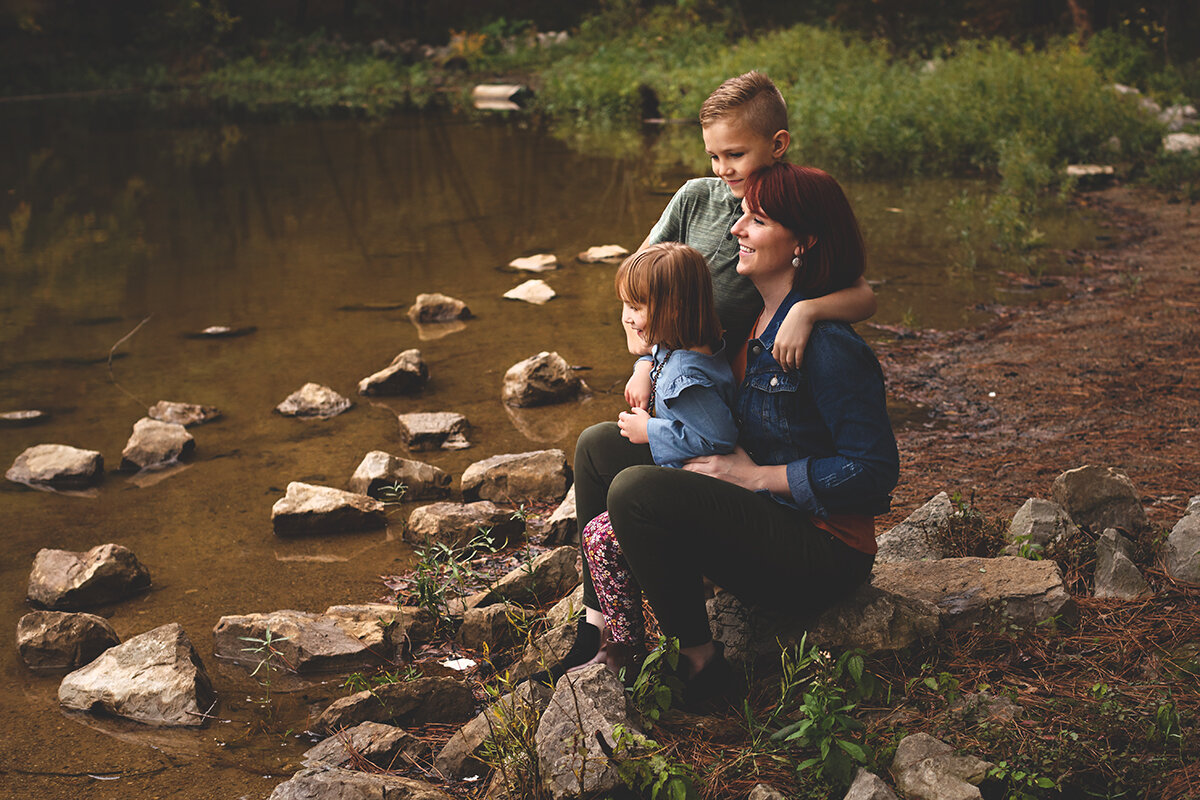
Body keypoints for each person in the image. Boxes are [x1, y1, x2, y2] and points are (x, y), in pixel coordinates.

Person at [552, 162, 899, 700]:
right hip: (757, 521)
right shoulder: (751, 326)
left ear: (803, 241)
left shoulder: (828, 347)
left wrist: (757, 477)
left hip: (819, 551)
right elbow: (677, 342)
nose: (735, 229)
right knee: (600, 445)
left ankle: (698, 665)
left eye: (755, 220)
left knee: (637, 490)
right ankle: (603, 634)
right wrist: (646, 363)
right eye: (741, 215)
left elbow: (874, 474)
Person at [624, 70, 877, 410]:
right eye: (714, 156)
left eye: (735, 155)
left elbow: (862, 296)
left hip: (734, 381)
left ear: (777, 144)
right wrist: (643, 356)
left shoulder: (792, 210)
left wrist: (806, 312)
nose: (722, 169)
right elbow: (637, 278)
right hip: (672, 365)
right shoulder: (694, 197)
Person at [572, 242, 739, 676]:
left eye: (636, 306)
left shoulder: (689, 375)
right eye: (625, 304)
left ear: (673, 309)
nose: (626, 315)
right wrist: (644, 365)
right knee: (599, 532)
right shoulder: (678, 346)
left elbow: (717, 436)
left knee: (601, 541)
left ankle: (626, 646)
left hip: (701, 494)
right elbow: (657, 355)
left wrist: (652, 431)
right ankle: (617, 638)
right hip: (679, 482)